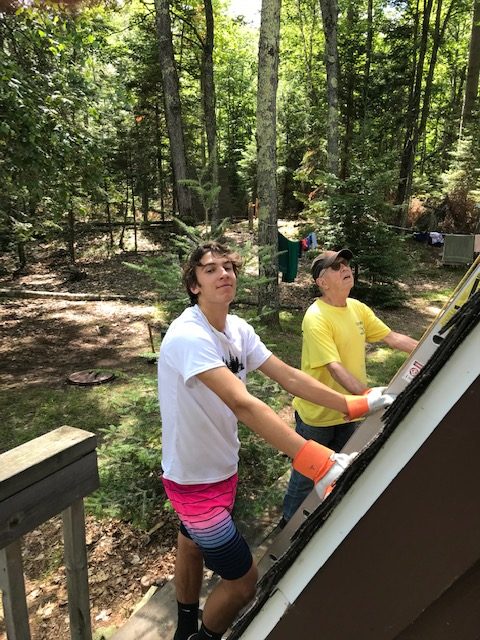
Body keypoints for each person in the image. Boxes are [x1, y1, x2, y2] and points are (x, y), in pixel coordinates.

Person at [158, 242, 393, 640]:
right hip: (192, 481)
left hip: (221, 470)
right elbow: (242, 403)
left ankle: (183, 624)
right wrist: (316, 461)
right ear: (193, 284)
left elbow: (288, 376)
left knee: (192, 543)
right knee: (243, 583)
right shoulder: (188, 336)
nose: (224, 274)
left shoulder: (236, 329)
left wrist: (353, 405)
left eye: (229, 266)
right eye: (211, 269)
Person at [281, 248, 419, 525]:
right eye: (336, 267)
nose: (345, 269)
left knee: (343, 469)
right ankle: (288, 524)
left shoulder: (357, 308)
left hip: (348, 413)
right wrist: (366, 397)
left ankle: (330, 519)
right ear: (322, 282)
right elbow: (334, 366)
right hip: (318, 415)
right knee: (307, 474)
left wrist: (430, 353)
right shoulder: (316, 316)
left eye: (346, 264)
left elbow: (392, 338)